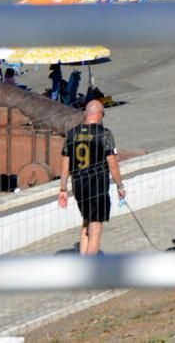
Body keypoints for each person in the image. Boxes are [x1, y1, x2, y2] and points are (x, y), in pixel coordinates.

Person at [58, 100, 125, 256]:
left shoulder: (72, 134)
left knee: (86, 221)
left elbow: (65, 163)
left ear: (86, 113)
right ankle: (90, 268)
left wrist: (62, 189)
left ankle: (83, 259)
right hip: (97, 184)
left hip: (79, 185)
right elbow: (113, 164)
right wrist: (120, 185)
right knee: (96, 226)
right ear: (99, 113)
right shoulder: (104, 134)